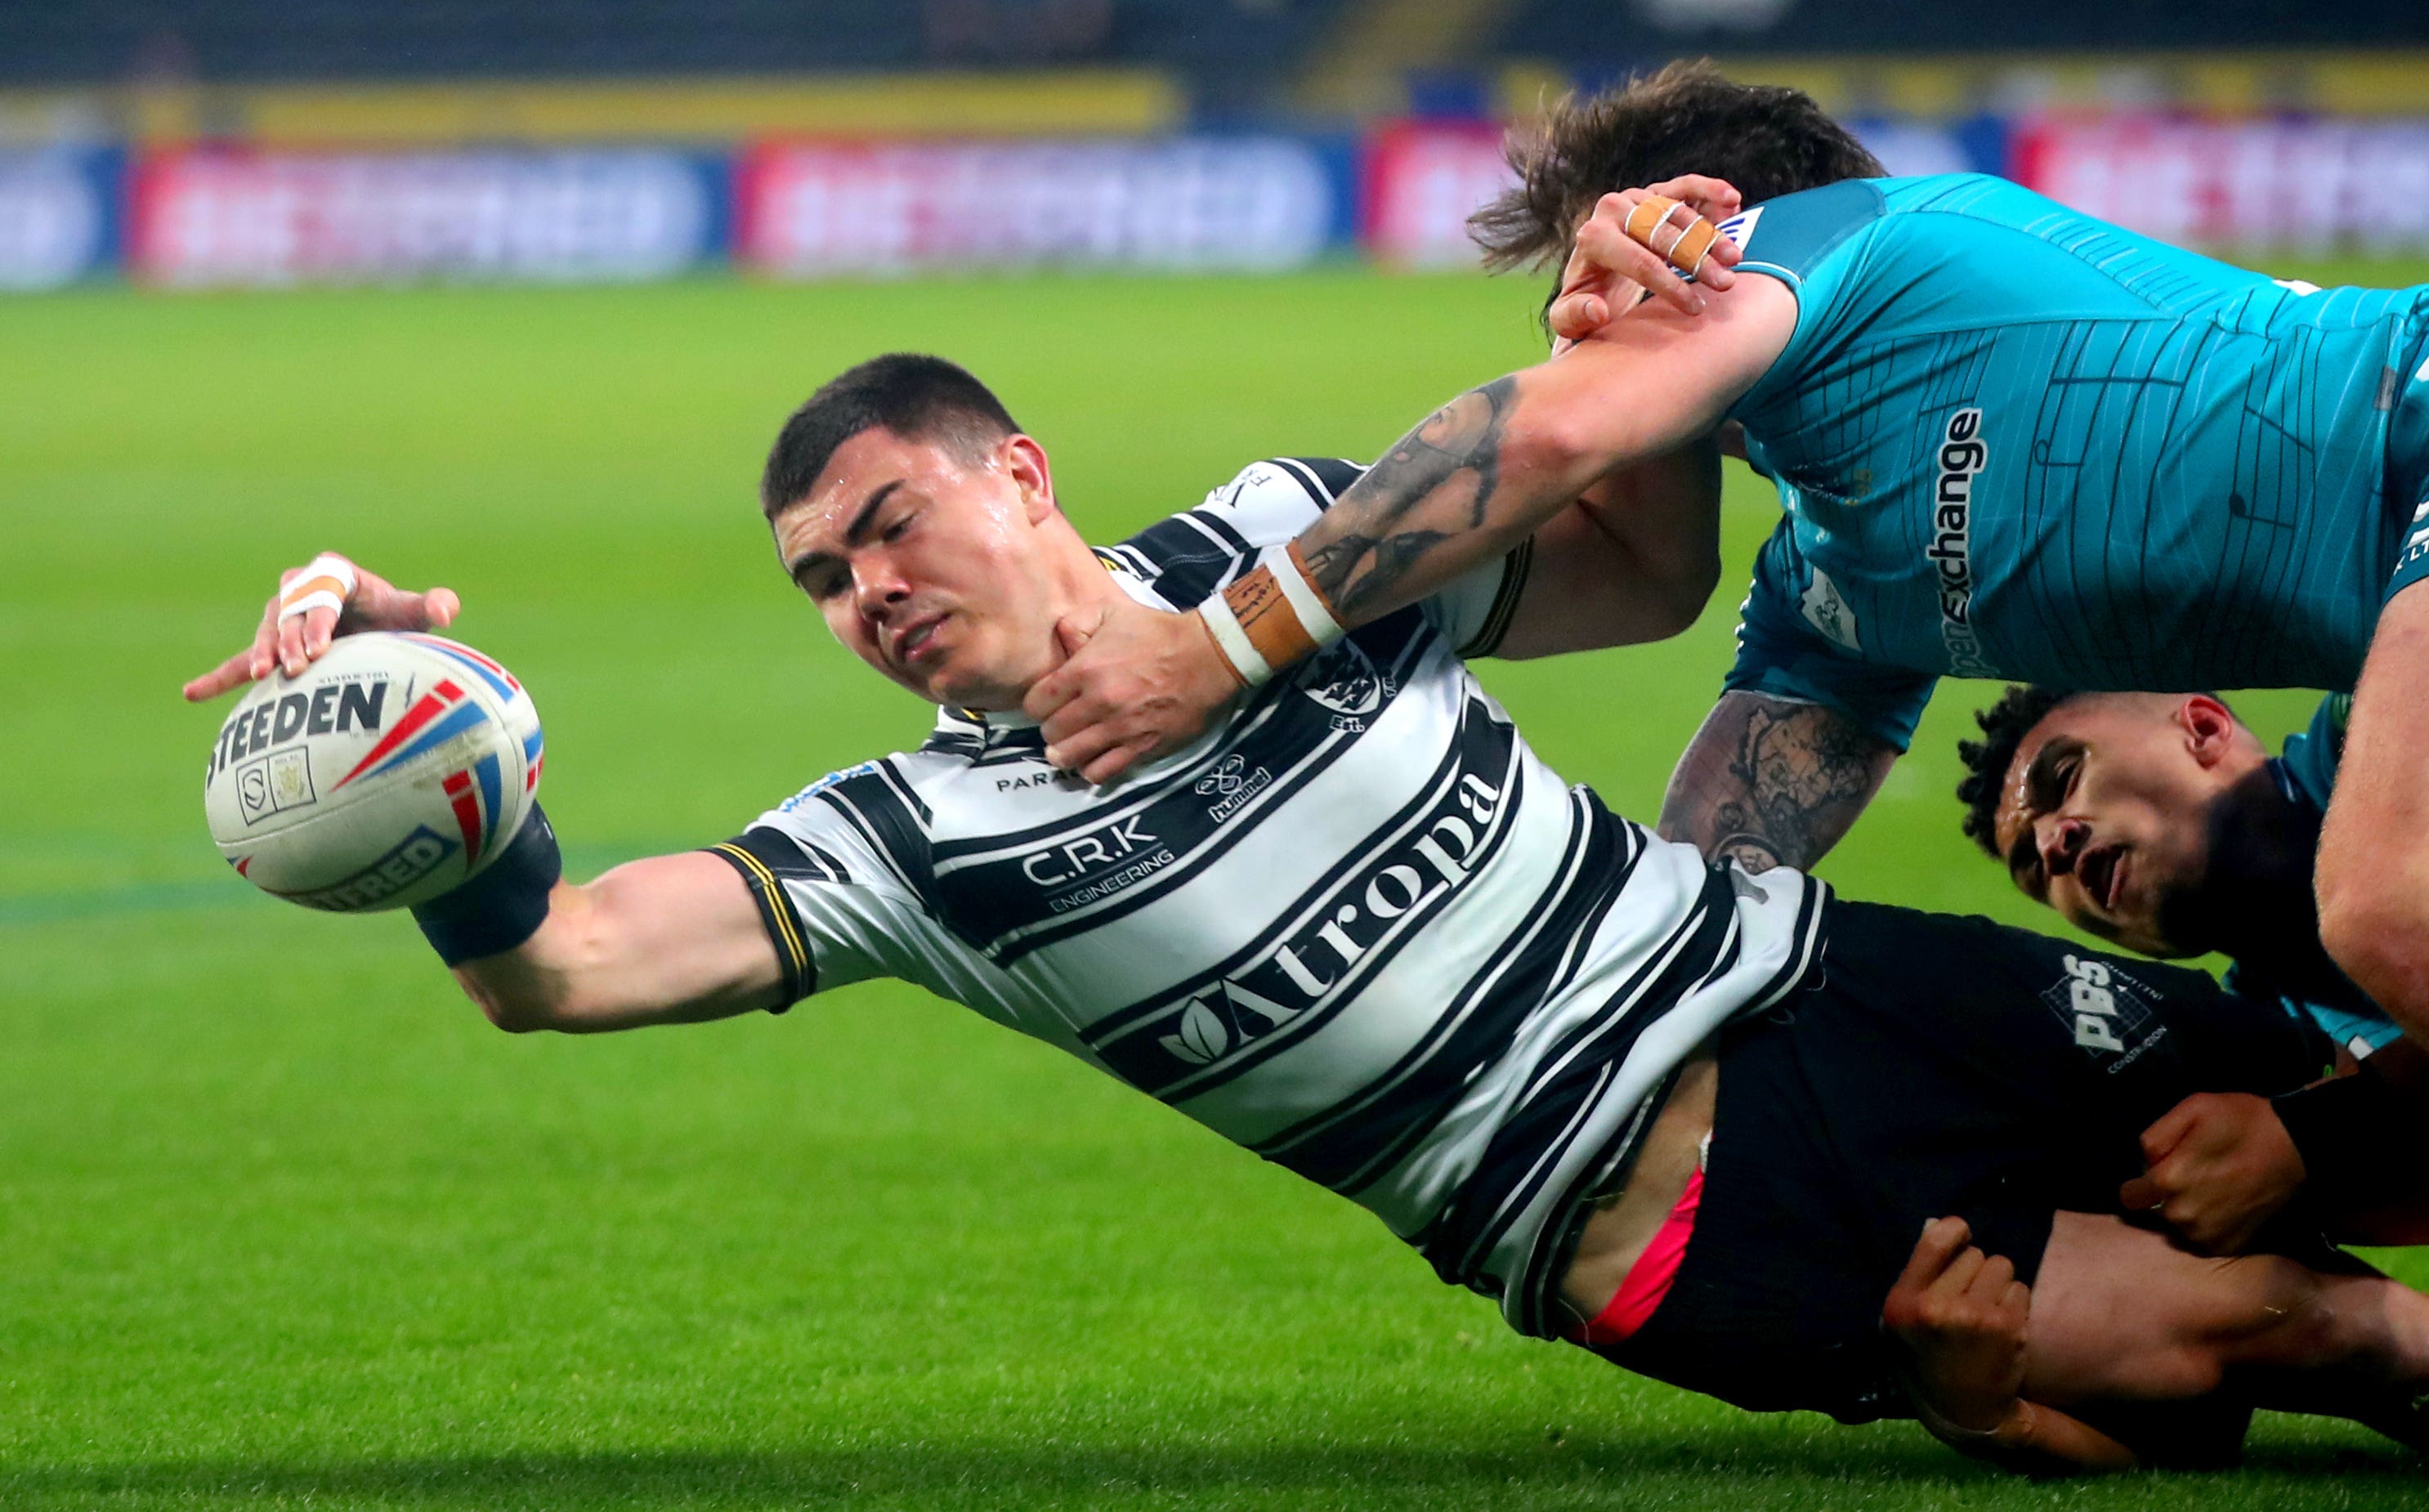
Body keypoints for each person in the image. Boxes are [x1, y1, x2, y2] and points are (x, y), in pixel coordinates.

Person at [186, 352, 2429, 1473]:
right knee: (2336, 1332)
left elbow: (1639, 569)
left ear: (1014, 477)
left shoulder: (1276, 540)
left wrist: (1638, 315)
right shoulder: (912, 842)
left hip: (1831, 977)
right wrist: (429, 741)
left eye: (885, 525)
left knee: (2366, 1101)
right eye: (821, 581)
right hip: (1674, 1214)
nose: (863, 593)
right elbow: (558, 969)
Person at [1019, 63, 2429, 1053]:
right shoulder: (1839, 583)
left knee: (2375, 909)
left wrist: (1210, 650)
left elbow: (1545, 443)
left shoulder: (1869, 245)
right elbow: (1698, 887)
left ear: (1709, 233)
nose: (1584, 331)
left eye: (1597, 301)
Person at [1951, 685, 2429, 1256]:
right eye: (2033, 869)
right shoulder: (2257, 1057)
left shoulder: (2380, 719)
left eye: (2067, 776)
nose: (2053, 845)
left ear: (2203, 728)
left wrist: (2324, 1131)